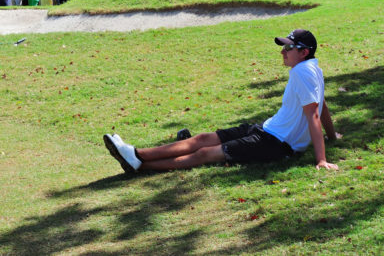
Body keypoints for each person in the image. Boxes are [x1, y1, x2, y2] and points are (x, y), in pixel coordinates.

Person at [104, 29, 341, 173]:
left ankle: (139, 163)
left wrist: (321, 160)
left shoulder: (303, 72)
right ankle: (137, 153)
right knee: (202, 139)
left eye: (288, 47)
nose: (282, 52)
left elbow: (314, 114)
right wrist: (332, 136)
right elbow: (322, 104)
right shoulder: (313, 69)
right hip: (267, 129)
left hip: (278, 144)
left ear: (304, 52)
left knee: (205, 153)